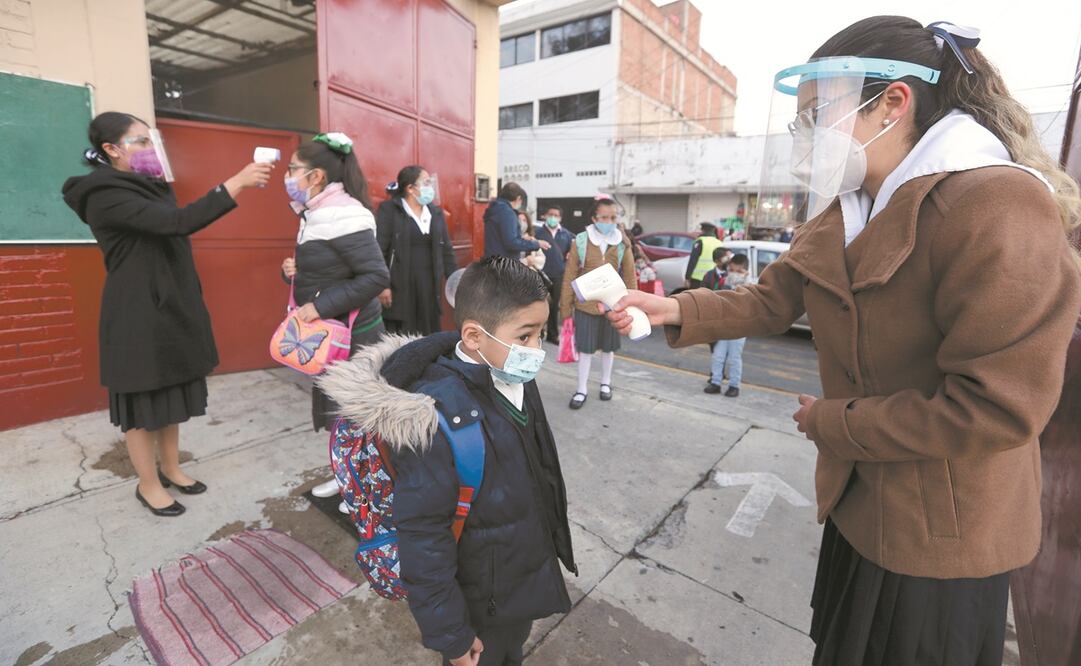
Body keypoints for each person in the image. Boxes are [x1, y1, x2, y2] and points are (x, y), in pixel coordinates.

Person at [606, 16, 1081, 665]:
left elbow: (996, 407)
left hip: (941, 534)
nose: (808, 136)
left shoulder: (995, 206)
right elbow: (771, 299)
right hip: (860, 504)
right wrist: (672, 311)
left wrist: (834, 422)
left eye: (817, 115)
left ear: (892, 103)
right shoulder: (849, 204)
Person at [321, 256, 576, 665]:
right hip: (479, 600)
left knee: (511, 650)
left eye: (541, 333)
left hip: (515, 577)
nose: (537, 349)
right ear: (474, 336)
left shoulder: (513, 376)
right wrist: (452, 636)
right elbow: (424, 539)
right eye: (526, 336)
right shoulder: (437, 421)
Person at [62, 112, 272, 516]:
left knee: (171, 391)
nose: (150, 148)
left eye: (150, 139)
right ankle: (148, 483)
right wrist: (236, 182)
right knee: (143, 405)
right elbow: (177, 223)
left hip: (169, 305)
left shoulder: (147, 186)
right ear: (111, 149)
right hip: (137, 311)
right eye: (140, 141)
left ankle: (172, 467)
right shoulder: (105, 194)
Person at [279, 133, 390, 500]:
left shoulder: (343, 214)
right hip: (331, 334)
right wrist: (293, 272)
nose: (288, 175)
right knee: (339, 411)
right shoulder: (315, 211)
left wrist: (319, 306)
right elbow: (331, 269)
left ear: (316, 176)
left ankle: (364, 490)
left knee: (358, 414)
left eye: (293, 169)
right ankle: (345, 477)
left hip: (354, 333)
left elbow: (376, 276)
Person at [561, 198, 637, 409]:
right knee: (585, 349)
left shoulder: (623, 243)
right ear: (594, 218)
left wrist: (631, 304)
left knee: (608, 348)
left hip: (614, 305)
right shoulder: (582, 241)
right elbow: (569, 276)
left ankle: (606, 383)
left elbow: (630, 277)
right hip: (586, 306)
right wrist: (565, 308)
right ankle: (581, 388)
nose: (609, 221)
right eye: (604, 217)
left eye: (613, 217)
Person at [376, 165, 458, 336]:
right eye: (426, 182)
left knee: (428, 328)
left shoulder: (435, 213)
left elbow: (446, 250)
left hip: (429, 284)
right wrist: (383, 286)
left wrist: (455, 282)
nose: (430, 187)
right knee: (403, 332)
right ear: (410, 188)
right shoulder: (390, 210)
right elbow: (380, 249)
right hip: (401, 284)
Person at [703, 254, 749, 397]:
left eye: (734, 265)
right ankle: (716, 382)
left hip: (740, 325)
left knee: (734, 358)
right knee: (718, 355)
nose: (731, 268)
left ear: (741, 266)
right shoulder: (728, 276)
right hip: (725, 322)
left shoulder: (749, 281)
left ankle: (734, 386)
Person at [536, 204, 574, 344]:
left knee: (554, 306)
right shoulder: (538, 233)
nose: (553, 217)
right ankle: (538, 333)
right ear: (545, 216)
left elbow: (572, 252)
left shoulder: (566, 234)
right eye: (550, 214)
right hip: (540, 274)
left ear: (560, 218)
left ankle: (553, 335)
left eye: (556, 215)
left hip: (559, 275)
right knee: (539, 305)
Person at [483, 182, 550, 259]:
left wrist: (521, 238)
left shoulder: (494, 209)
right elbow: (511, 243)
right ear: (518, 198)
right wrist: (536, 244)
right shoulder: (507, 213)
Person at [683, 222, 723, 289]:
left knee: (696, 298)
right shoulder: (719, 243)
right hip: (714, 279)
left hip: (698, 279)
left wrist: (687, 277)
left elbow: (693, 260)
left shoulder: (700, 241)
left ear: (703, 230)